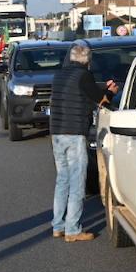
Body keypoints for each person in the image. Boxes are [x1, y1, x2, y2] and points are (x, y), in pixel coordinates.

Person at [48, 40, 118, 242]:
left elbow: (81, 91)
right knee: (78, 180)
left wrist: (101, 88)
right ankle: (73, 230)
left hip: (57, 132)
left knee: (62, 179)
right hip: (74, 132)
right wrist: (110, 92)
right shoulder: (84, 75)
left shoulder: (60, 75)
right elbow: (101, 100)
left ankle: (58, 225)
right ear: (88, 61)